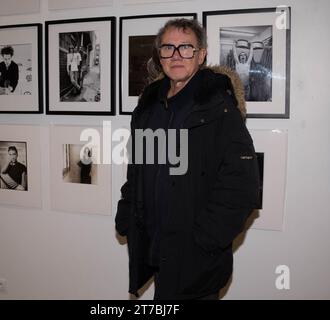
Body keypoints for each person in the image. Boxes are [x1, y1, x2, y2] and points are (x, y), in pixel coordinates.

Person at [115, 19, 260, 300]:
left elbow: (242, 186)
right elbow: (138, 170)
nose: (177, 55)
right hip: (156, 251)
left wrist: (203, 240)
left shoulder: (219, 105)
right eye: (168, 48)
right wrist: (127, 211)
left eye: (186, 47)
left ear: (201, 54)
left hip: (196, 260)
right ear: (159, 56)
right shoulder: (148, 105)